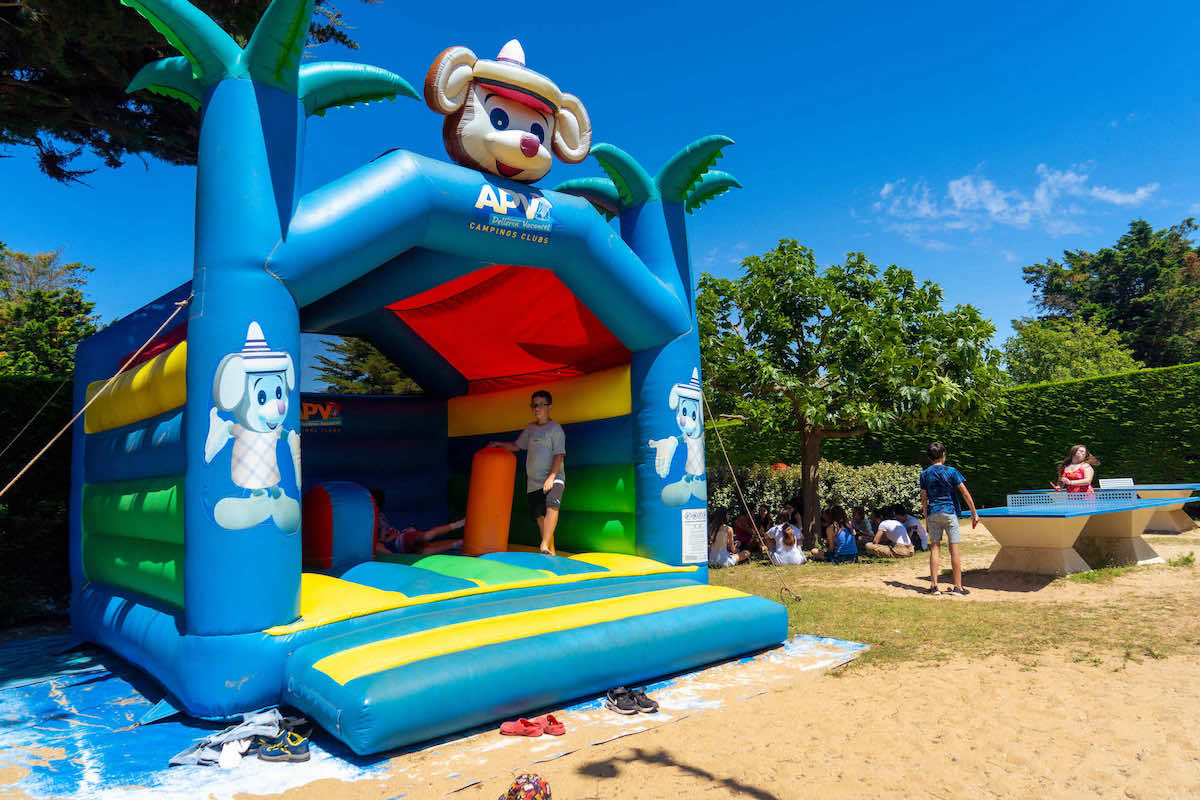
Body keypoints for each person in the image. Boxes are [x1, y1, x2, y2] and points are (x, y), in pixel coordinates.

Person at [489, 389, 565, 554]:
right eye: (534, 405)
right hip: (534, 481)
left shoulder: (555, 429)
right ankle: (551, 551)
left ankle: (544, 545)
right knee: (540, 517)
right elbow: (517, 446)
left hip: (554, 476)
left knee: (552, 505)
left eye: (540, 405)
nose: (537, 408)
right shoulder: (530, 428)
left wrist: (551, 478)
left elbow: (558, 455)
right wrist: (498, 444)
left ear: (549, 407)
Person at [920, 441, 981, 595]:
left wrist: (926, 519)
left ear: (930, 457)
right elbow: (965, 493)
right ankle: (958, 587)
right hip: (949, 512)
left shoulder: (924, 474)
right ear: (943, 455)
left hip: (933, 513)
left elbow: (924, 500)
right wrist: (974, 513)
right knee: (954, 550)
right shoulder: (952, 471)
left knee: (935, 548)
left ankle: (934, 586)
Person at [371, 489, 465, 556]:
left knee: (425, 537)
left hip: (401, 539)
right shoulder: (370, 520)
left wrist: (388, 538)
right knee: (424, 552)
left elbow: (386, 532)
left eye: (376, 505)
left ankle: (459, 524)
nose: (375, 508)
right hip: (399, 548)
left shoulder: (379, 516)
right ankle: (458, 543)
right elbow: (378, 540)